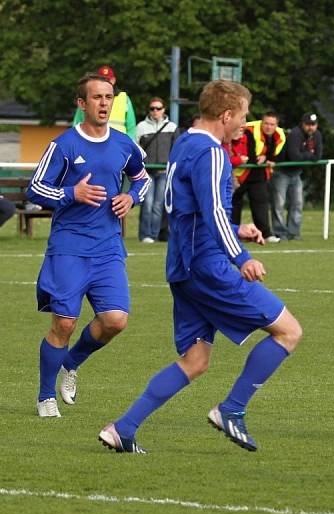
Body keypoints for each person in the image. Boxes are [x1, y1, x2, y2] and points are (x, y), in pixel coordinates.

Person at [98, 79, 302, 453]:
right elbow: (211, 211)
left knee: (195, 360)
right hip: (207, 266)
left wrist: (238, 228)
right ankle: (232, 410)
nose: (245, 124)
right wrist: (240, 256)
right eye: (242, 116)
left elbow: (195, 211)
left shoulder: (185, 144)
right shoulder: (211, 153)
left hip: (183, 265)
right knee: (289, 332)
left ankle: (123, 428)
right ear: (226, 115)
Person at [27, 72, 151, 418]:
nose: (104, 104)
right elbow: (36, 188)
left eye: (108, 97)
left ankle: (71, 362)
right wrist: (72, 193)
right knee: (64, 324)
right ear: (82, 104)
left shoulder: (125, 144)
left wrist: (131, 197)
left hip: (108, 247)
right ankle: (45, 396)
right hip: (68, 247)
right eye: (96, 98)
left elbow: (143, 179)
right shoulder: (64, 145)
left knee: (115, 320)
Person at [230, 111, 285, 243]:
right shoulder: (248, 129)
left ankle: (265, 234)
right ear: (261, 122)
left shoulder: (280, 135)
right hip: (240, 172)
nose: (268, 127)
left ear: (277, 125)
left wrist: (269, 158)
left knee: (260, 203)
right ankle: (233, 234)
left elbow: (276, 154)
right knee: (234, 204)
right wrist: (256, 159)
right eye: (266, 123)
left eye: (272, 124)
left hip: (257, 173)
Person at [272, 112, 323, 240]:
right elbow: (294, 156)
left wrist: (305, 155)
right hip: (282, 172)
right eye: (308, 124)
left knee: (297, 203)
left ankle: (293, 233)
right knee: (279, 204)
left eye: (313, 125)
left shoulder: (317, 135)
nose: (311, 127)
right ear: (302, 124)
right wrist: (308, 154)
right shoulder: (295, 134)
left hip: (296, 173)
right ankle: (280, 232)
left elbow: (318, 156)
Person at [135, 96, 177, 243]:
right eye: (152, 108)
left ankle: (153, 235)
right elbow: (136, 150)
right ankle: (145, 235)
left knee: (158, 205)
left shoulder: (172, 127)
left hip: (163, 172)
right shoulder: (141, 127)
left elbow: (176, 150)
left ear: (163, 109)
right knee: (147, 204)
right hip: (147, 172)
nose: (155, 111)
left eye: (158, 108)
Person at [73, 66, 136, 140]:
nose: (104, 103)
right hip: (91, 142)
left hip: (118, 144)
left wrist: (128, 145)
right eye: (97, 97)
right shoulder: (87, 98)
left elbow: (131, 127)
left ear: (113, 80)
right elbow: (77, 122)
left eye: (108, 79)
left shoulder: (124, 98)